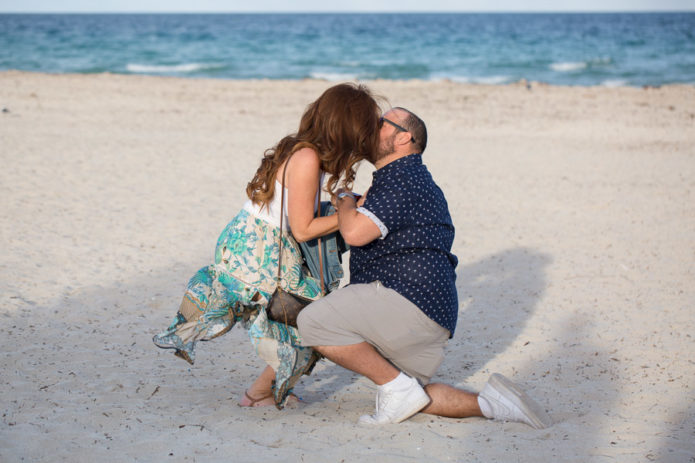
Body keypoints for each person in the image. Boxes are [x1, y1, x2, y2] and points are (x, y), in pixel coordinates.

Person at [297, 107, 553, 427]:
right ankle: (495, 405)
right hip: (432, 319)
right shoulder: (415, 180)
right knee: (414, 395)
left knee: (312, 322)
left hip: (406, 302)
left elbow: (354, 233)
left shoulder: (402, 177)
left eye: (379, 124)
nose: (369, 127)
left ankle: (395, 386)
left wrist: (346, 199)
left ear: (404, 137)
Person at [152, 83, 381, 408]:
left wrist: (346, 204)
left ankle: (259, 393)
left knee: (307, 325)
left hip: (254, 244)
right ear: (346, 129)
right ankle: (258, 394)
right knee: (316, 323)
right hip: (259, 253)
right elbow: (302, 230)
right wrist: (351, 213)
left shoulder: (302, 151)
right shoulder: (306, 158)